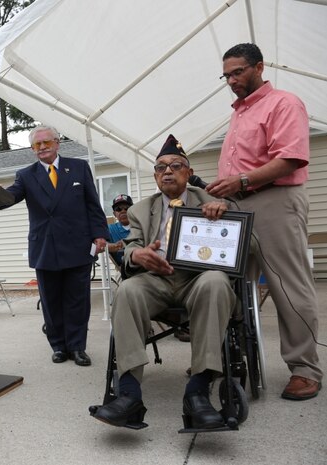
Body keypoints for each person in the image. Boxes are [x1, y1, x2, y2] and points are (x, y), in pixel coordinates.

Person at [93, 134, 234, 430]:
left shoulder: (215, 201)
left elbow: (252, 246)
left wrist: (224, 218)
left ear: (189, 172)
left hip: (198, 279)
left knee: (216, 282)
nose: (167, 171)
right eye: (160, 167)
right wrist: (138, 255)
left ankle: (198, 391)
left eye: (175, 165)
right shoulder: (140, 210)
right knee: (128, 290)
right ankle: (129, 394)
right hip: (155, 278)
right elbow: (130, 247)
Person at [207, 43, 322, 400]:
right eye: (226, 75)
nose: (231, 80)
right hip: (236, 206)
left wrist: (240, 181)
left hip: (275, 200)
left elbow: (290, 158)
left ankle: (305, 368)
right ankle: (233, 360)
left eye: (238, 72)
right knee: (232, 285)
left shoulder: (284, 103)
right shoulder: (238, 113)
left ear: (259, 67)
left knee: (288, 285)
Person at [0, 125, 109, 366]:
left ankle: (78, 347)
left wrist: (100, 234)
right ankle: (59, 346)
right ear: (32, 149)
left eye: (46, 142)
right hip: (45, 248)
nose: (42, 148)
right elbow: (10, 196)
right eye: (37, 145)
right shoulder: (25, 175)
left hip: (78, 245)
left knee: (77, 301)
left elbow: (93, 204)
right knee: (51, 301)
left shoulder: (79, 167)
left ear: (57, 143)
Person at [107, 194, 133, 267]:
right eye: (118, 209)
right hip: (122, 269)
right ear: (114, 214)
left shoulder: (141, 226)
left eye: (127, 208)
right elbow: (101, 244)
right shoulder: (110, 229)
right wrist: (115, 246)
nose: (123, 211)